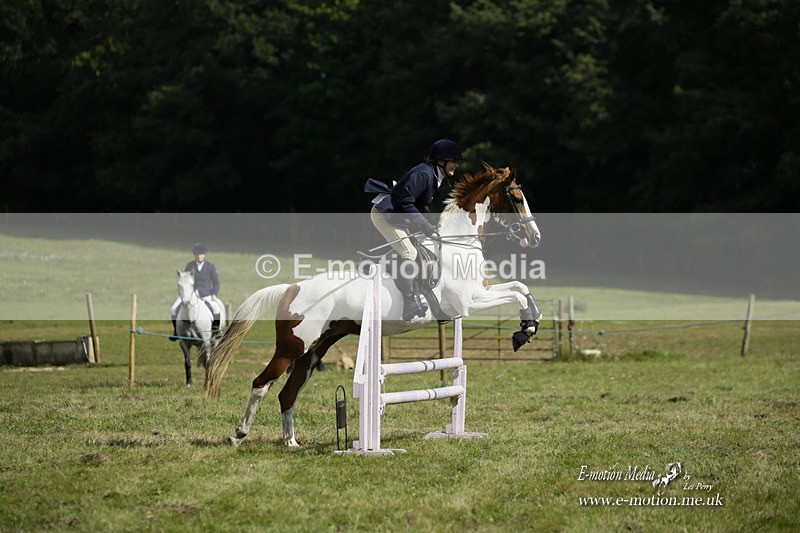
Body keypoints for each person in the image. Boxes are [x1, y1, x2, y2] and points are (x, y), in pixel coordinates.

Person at [366, 138, 463, 320]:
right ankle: (409, 303)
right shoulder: (424, 174)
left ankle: (423, 298)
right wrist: (424, 224)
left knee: (419, 249)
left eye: (457, 161)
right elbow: (405, 201)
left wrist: (430, 223)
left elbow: (419, 205)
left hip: (398, 216)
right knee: (409, 253)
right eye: (453, 160)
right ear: (441, 160)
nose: (456, 165)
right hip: (385, 215)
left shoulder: (433, 177)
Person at [170, 242, 222, 340]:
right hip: (190, 294)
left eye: (201, 254)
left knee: (216, 308)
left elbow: (216, 282)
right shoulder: (190, 266)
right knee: (173, 308)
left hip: (205, 294)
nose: (199, 256)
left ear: (204, 254)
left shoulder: (210, 266)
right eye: (197, 254)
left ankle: (216, 331)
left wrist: (214, 294)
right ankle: (176, 331)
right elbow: (184, 280)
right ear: (195, 255)